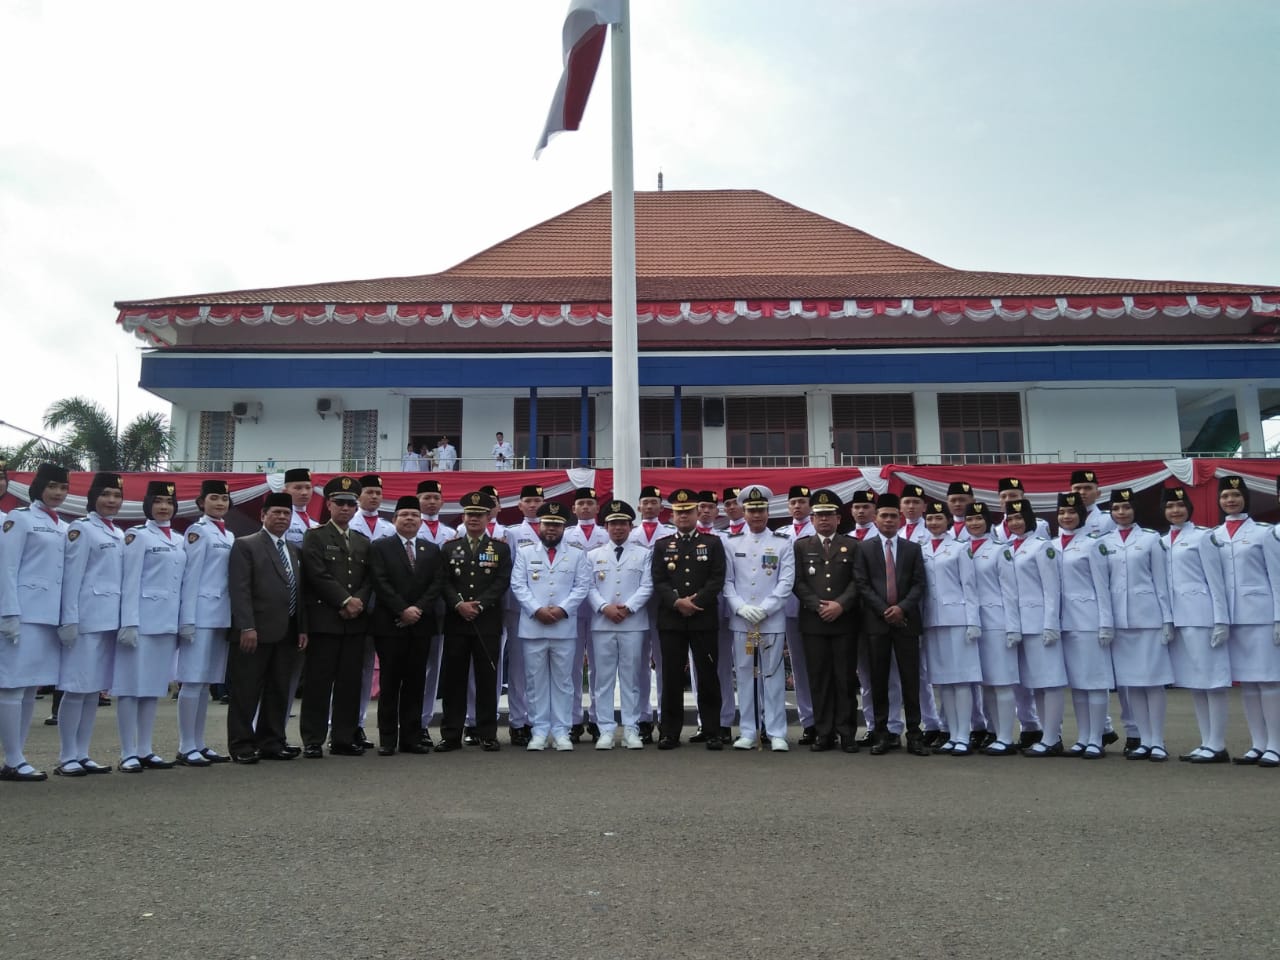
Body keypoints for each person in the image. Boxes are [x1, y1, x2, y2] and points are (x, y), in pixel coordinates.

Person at [0, 463, 71, 782]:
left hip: (47, 616)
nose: (58, 493)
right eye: (53, 486)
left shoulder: (61, 525)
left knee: (29, 688)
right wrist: (9, 613)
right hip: (23, 613)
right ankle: (12, 759)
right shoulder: (20, 519)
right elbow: (7, 569)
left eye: (63, 488)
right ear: (38, 487)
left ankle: (18, 754)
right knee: (12, 687)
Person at [226, 492, 308, 763]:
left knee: (278, 689)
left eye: (286, 513)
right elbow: (240, 590)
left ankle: (272, 741)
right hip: (255, 632)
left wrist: (302, 628)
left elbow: (298, 591)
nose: (282, 517)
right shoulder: (246, 545)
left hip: (287, 632)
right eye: (276, 513)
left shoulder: (293, 549)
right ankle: (242, 745)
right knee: (246, 690)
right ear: (263, 516)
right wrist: (246, 626)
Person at [54, 471, 125, 776]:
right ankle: (66, 754)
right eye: (106, 494)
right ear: (93, 497)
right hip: (85, 618)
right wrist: (68, 619)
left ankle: (82, 752)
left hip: (109, 620)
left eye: (117, 496)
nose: (111, 501)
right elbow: (72, 577)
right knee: (75, 688)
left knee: (92, 689)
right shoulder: (81, 530)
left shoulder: (119, 533)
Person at [115, 479, 186, 773]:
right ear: (148, 505)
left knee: (153, 688)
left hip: (167, 623)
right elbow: (129, 581)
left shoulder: (180, 540)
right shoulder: (137, 536)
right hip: (142, 620)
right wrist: (129, 621)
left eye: (168, 503)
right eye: (158, 502)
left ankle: (145, 748)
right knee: (131, 688)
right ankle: (127, 751)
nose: (163, 507)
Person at [299, 476, 372, 758]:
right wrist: (344, 600)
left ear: (356, 508)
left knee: (349, 683)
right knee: (318, 682)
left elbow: (369, 577)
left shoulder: (362, 541)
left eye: (350, 504)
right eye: (339, 503)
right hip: (326, 619)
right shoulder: (315, 536)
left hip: (355, 622)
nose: (345, 508)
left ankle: (343, 737)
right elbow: (317, 574)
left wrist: (359, 601)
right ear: (328, 504)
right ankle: (313, 739)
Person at [1100, 487, 1174, 761]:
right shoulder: (1103, 541)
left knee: (1152, 682)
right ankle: (1142, 738)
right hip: (1119, 621)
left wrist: (1167, 618)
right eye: (1116, 508)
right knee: (1131, 685)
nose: (1121, 512)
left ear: (1135, 509)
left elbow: (1161, 581)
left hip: (1148, 617)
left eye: (1126, 507)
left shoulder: (1151, 539)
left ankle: (1157, 740)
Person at [511, 501, 591, 751]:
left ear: (564, 527)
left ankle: (562, 730)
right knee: (535, 681)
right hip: (533, 626)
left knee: (563, 681)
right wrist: (536, 609)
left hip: (564, 626)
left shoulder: (577, 553)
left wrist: (562, 609)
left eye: (556, 525)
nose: (551, 529)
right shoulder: (525, 552)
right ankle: (539, 729)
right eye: (547, 524)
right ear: (540, 525)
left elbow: (582, 586)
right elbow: (518, 586)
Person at [853, 493, 928, 757]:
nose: (888, 520)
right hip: (877, 622)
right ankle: (883, 733)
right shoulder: (864, 548)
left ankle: (915, 734)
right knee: (879, 680)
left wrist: (901, 608)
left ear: (900, 519)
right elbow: (861, 583)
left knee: (910, 680)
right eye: (883, 515)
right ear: (875, 519)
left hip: (906, 621)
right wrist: (885, 609)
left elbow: (919, 583)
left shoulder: (912, 548)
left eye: (893, 516)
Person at [650, 488, 726, 750]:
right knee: (671, 676)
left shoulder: (713, 543)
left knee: (707, 675)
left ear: (697, 513)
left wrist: (696, 602)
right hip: (671, 619)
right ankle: (670, 731)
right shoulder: (662, 545)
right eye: (678, 512)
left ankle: (712, 730)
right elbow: (658, 580)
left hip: (702, 617)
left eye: (688, 511)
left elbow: (717, 579)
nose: (683, 516)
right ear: (671, 515)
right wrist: (676, 601)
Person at [1160, 486, 1231, 763]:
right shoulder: (1163, 541)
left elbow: (1216, 581)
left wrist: (1220, 619)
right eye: (1169, 507)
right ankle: (1206, 741)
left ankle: (1218, 743)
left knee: (1213, 682)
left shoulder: (1203, 537)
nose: (1175, 511)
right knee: (1196, 683)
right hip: (1180, 619)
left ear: (1189, 508)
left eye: (1179, 505)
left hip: (1203, 616)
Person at [1212, 475, 1280, 766]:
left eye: (1236, 495)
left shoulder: (1265, 533)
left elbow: (1277, 578)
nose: (1230, 500)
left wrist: (1279, 617)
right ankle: (1258, 743)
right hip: (1233, 617)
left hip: (1262, 614)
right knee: (1249, 684)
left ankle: (1275, 745)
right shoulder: (1214, 535)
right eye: (1225, 495)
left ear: (1245, 498)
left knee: (1269, 682)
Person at [437, 492, 511, 752]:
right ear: (464, 517)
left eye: (479, 515)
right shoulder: (449, 547)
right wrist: (459, 604)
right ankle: (451, 734)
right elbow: (443, 581)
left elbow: (501, 582)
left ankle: (487, 733)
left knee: (486, 679)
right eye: (470, 515)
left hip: (486, 621)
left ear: (488, 517)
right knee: (454, 680)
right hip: (457, 621)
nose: (474, 519)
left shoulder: (499, 548)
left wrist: (479, 604)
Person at [368, 496, 442, 756]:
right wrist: (402, 609)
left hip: (421, 625)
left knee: (415, 683)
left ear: (421, 520)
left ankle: (411, 738)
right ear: (394, 519)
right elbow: (380, 582)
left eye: (414, 514)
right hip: (390, 625)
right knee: (390, 683)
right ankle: (388, 739)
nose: (410, 518)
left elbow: (436, 584)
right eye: (404, 515)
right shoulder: (380, 547)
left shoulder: (431, 550)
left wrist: (417, 609)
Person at [724, 484, 796, 751]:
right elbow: (728, 581)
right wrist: (740, 607)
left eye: (761, 510)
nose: (756, 515)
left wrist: (765, 608)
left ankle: (776, 731)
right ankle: (748, 731)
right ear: (743, 511)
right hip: (742, 619)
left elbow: (786, 581)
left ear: (768, 511)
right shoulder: (731, 543)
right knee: (744, 675)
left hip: (771, 619)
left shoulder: (781, 543)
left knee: (773, 675)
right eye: (752, 510)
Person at [173, 479, 236, 766]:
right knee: (192, 680)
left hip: (220, 615)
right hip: (199, 614)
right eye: (214, 498)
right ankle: (186, 745)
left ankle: (198, 742)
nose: (220, 503)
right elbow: (191, 576)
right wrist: (187, 618)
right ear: (201, 502)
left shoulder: (229, 534)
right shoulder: (197, 532)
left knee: (205, 682)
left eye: (224, 498)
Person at [791, 488, 860, 752]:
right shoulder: (801, 546)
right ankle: (824, 732)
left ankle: (847, 733)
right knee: (819, 679)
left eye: (829, 515)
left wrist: (840, 605)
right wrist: (817, 605)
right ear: (812, 518)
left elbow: (858, 581)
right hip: (814, 621)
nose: (824, 520)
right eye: (819, 515)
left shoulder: (852, 545)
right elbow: (797, 582)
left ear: (838, 518)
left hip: (844, 621)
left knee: (845, 679)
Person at [998, 498, 1067, 757]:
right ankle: (1045, 733)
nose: (1015, 522)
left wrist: (1051, 623)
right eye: (1011, 518)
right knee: (1036, 683)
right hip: (1020, 625)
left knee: (1051, 681)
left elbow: (1052, 590)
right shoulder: (1007, 548)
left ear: (1030, 519)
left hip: (1040, 623)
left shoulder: (1042, 546)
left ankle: (1053, 737)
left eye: (1019, 518)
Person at [586, 499, 653, 749]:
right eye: (613, 524)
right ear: (605, 527)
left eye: (623, 523)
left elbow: (647, 586)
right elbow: (588, 587)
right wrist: (604, 607)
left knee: (632, 678)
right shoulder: (593, 555)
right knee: (602, 679)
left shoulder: (644, 554)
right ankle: (605, 729)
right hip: (602, 623)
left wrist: (629, 607)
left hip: (633, 623)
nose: (618, 528)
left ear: (630, 526)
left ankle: (632, 729)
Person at [1054, 492, 1115, 759]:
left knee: (1095, 681)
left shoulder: (1093, 544)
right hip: (1065, 622)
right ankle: (1082, 736)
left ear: (1081, 516)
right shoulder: (1053, 545)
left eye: (1072, 513)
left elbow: (1103, 586)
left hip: (1090, 619)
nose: (1066, 517)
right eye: (1062, 513)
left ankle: (1096, 738)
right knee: (1078, 684)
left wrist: (1105, 622)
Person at [920, 500, 982, 755]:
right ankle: (951, 732)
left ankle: (963, 735)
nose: (934, 523)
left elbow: (970, 586)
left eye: (938, 518)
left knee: (962, 681)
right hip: (932, 620)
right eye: (930, 519)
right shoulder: (921, 548)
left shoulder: (959, 548)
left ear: (948, 521)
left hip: (958, 618)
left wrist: (973, 620)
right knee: (943, 681)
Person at [964, 502, 1021, 755]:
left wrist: (1012, 626)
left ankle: (1007, 737)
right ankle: (994, 732)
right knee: (986, 682)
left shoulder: (1001, 550)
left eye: (979, 518)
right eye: (970, 519)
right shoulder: (962, 549)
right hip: (974, 623)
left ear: (988, 521)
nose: (974, 523)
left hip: (998, 621)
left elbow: (1010, 591)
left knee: (1003, 681)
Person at [348, 473, 395, 751]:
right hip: (358, 605)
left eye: (378, 492)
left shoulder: (389, 528)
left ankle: (361, 724)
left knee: (372, 670)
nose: (374, 497)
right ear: (358, 497)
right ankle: (345, 724)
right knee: (354, 668)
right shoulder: (349, 524)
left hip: (385, 607)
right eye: (369, 492)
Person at [629, 485, 675, 743]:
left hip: (662, 605)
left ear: (661, 507)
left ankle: (665, 718)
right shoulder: (629, 533)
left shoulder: (669, 534)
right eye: (645, 502)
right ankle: (643, 718)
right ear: (638, 506)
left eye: (653, 502)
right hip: (634, 607)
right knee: (638, 665)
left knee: (664, 663)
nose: (649, 506)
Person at [562, 486, 608, 741]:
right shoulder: (567, 535)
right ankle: (572, 719)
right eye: (581, 503)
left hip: (602, 606)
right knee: (572, 665)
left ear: (597, 507)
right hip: (574, 608)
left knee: (600, 666)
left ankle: (599, 718)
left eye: (591, 503)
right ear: (574, 509)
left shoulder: (607, 533)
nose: (586, 507)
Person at [499, 484, 543, 745]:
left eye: (538, 500)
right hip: (519, 607)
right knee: (517, 667)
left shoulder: (556, 530)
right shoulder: (512, 533)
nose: (533, 504)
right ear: (519, 505)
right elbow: (510, 572)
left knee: (542, 667)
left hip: (550, 607)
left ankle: (539, 720)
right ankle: (518, 721)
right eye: (528, 500)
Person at [414, 479, 456, 748]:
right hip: (411, 606)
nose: (431, 501)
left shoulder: (451, 534)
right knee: (410, 667)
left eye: (435, 497)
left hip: (441, 607)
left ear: (442, 501)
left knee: (433, 668)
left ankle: (423, 721)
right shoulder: (404, 527)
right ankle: (406, 720)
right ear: (418, 499)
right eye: (426, 497)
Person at [777, 484, 817, 746]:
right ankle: (809, 721)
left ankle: (826, 717)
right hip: (788, 608)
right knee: (800, 669)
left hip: (816, 607)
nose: (798, 506)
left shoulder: (820, 530)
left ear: (810, 506)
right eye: (793, 502)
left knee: (820, 665)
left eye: (803, 501)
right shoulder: (780, 534)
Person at [282, 467, 316, 547]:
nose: (304, 492)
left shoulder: (314, 522)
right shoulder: (280, 519)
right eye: (298, 488)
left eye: (308, 488)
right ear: (285, 491)